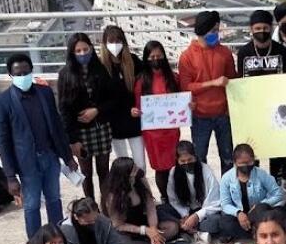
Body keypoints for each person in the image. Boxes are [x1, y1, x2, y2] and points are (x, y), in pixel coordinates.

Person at [0, 53, 75, 238]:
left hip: (50, 157)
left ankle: (56, 238)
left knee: (54, 199)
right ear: (11, 75)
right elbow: (3, 141)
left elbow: (57, 126)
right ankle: (35, 243)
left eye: (26, 72)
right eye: (18, 74)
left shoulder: (44, 93)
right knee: (31, 205)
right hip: (27, 163)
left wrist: (68, 157)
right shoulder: (2, 102)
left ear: (31, 71)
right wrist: (10, 176)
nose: (23, 77)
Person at [236, 9, 286, 180]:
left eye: (265, 28)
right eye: (257, 28)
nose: (261, 31)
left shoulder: (280, 50)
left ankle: (277, 181)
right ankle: (254, 181)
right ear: (251, 29)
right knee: (253, 148)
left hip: (275, 108)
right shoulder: (244, 52)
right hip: (252, 110)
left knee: (277, 148)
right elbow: (240, 81)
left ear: (272, 28)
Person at [57, 32, 115, 202]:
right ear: (72, 52)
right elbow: (64, 110)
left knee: (104, 170)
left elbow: (112, 99)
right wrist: (73, 140)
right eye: (78, 51)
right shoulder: (65, 74)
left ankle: (106, 205)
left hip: (101, 129)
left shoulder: (100, 69)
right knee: (86, 173)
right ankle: (91, 205)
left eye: (85, 49)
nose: (83, 53)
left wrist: (97, 110)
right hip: (81, 133)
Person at [179, 10, 237, 172]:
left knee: (228, 158)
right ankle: (202, 186)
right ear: (203, 31)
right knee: (199, 158)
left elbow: (232, 81)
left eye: (217, 30)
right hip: (199, 115)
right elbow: (186, 87)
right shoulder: (186, 56)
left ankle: (227, 186)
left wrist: (230, 108)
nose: (217, 34)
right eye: (214, 30)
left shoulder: (225, 53)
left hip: (223, 114)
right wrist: (213, 83)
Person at [131, 40, 180, 198]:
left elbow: (181, 100)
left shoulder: (173, 77)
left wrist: (188, 105)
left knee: (174, 165)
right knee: (160, 168)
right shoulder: (141, 81)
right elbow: (138, 105)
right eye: (152, 57)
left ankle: (177, 197)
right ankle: (165, 197)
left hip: (171, 131)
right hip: (153, 134)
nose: (156, 59)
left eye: (159, 56)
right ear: (146, 58)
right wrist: (135, 111)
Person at [102, 157, 180, 244]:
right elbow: (118, 225)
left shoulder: (141, 180)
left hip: (143, 219)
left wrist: (153, 229)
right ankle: (156, 243)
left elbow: (151, 208)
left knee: (173, 227)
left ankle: (155, 241)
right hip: (127, 228)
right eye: (134, 169)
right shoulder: (112, 196)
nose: (137, 169)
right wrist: (145, 231)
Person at [219, 143, 286, 244]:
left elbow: (278, 194)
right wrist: (238, 213)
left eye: (249, 162)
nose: (246, 166)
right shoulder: (226, 178)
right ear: (235, 162)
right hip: (239, 216)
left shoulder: (261, 174)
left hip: (259, 214)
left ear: (253, 160)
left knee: (274, 212)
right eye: (242, 163)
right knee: (224, 221)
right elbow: (225, 204)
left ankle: (254, 233)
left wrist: (260, 205)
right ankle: (256, 233)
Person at [100, 25, 146, 169]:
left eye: (118, 41)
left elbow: (146, 83)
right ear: (104, 43)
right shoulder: (100, 66)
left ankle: (140, 184)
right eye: (111, 41)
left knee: (140, 164)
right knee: (122, 164)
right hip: (114, 122)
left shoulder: (133, 61)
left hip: (134, 120)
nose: (115, 44)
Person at [167, 140, 227, 243]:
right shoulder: (173, 172)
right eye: (183, 161)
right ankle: (197, 232)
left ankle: (188, 231)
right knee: (162, 211)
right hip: (184, 213)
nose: (187, 163)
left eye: (190, 159)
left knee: (217, 220)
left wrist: (197, 216)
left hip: (204, 211)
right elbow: (173, 200)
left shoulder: (205, 170)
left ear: (195, 157)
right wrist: (185, 215)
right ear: (177, 160)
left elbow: (215, 201)